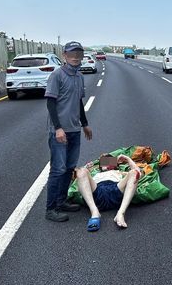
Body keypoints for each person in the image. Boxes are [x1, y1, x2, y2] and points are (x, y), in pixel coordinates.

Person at [44, 41, 93, 222]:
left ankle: (62, 201)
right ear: (64, 55)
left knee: (69, 168)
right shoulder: (57, 75)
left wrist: (85, 123)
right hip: (60, 132)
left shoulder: (79, 77)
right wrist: (58, 128)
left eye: (79, 53)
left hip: (74, 130)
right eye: (72, 53)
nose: (76, 57)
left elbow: (79, 102)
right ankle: (51, 209)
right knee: (58, 169)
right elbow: (50, 103)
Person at [75, 154, 142, 231]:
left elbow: (138, 173)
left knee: (134, 173)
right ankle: (94, 212)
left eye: (110, 161)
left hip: (116, 190)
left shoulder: (118, 172)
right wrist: (86, 168)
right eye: (105, 161)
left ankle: (121, 213)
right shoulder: (95, 173)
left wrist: (127, 159)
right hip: (97, 191)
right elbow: (81, 179)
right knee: (81, 171)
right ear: (100, 166)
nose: (107, 164)